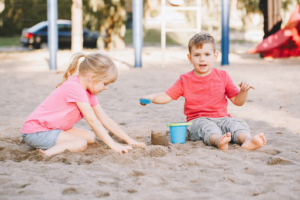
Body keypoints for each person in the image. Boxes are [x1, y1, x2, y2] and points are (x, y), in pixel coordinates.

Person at [140, 32, 266, 150]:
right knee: (206, 127)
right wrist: (152, 97)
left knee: (237, 123)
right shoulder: (185, 79)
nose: (202, 59)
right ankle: (218, 141)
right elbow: (167, 96)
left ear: (215, 56)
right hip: (198, 120)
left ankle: (247, 140)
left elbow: (238, 101)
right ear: (190, 58)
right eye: (197, 55)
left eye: (207, 54)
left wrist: (243, 91)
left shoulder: (223, 76)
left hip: (222, 118)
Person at [22, 52, 145, 156]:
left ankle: (50, 145)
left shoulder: (89, 92)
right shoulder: (76, 88)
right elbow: (93, 121)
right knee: (81, 143)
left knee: (90, 137)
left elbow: (104, 119)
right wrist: (113, 145)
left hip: (52, 129)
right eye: (105, 83)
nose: (106, 88)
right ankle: (46, 154)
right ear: (92, 77)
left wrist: (129, 140)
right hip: (36, 132)